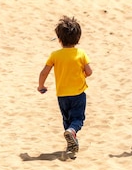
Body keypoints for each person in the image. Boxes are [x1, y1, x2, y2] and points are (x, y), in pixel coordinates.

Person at [37, 15, 93, 155]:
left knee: (67, 119)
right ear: (78, 39)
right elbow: (89, 71)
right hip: (78, 94)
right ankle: (71, 133)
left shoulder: (55, 55)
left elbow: (44, 72)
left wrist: (41, 86)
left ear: (60, 39)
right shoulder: (81, 54)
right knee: (78, 119)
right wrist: (83, 75)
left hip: (62, 95)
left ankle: (71, 143)